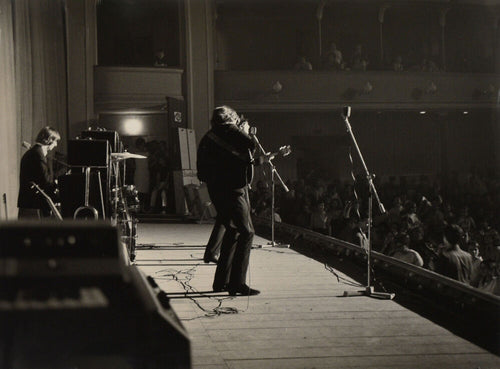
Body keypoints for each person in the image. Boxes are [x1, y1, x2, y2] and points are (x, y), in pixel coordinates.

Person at [197, 106, 272, 296]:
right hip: (232, 190)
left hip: (216, 190)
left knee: (232, 229)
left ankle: (221, 281)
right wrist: (244, 130)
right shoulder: (231, 131)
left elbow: (229, 160)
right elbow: (249, 145)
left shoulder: (208, 136)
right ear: (231, 118)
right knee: (247, 232)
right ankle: (237, 283)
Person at [17, 126, 61, 219]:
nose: (56, 144)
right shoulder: (38, 154)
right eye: (55, 141)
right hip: (32, 207)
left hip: (30, 205)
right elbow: (46, 181)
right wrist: (58, 186)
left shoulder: (37, 153)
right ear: (49, 140)